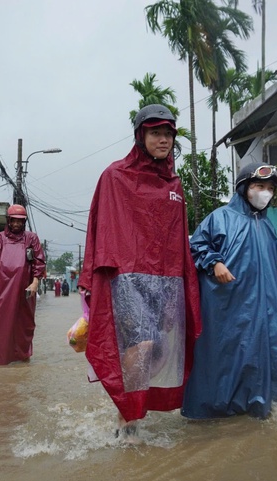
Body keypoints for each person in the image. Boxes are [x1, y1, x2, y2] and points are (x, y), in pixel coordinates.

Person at [78, 104, 201, 441]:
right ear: (140, 135)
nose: (163, 140)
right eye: (155, 132)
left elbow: (178, 239)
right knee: (141, 344)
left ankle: (131, 409)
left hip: (166, 283)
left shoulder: (174, 184)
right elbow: (98, 229)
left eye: (168, 134)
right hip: (127, 280)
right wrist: (90, 281)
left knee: (160, 349)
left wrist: (184, 284)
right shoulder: (115, 177)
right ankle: (126, 421)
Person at [181, 162, 277, 420]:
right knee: (220, 358)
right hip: (225, 308)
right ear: (244, 188)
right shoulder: (220, 218)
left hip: (262, 310)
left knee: (261, 357)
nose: (264, 193)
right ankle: (210, 413)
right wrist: (215, 262)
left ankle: (256, 409)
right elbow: (195, 247)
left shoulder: (268, 227)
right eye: (259, 186)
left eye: (269, 188)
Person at [0, 204, 46, 365]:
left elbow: (39, 262)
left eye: (20, 221)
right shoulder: (0, 238)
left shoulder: (31, 238)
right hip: (2, 290)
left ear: (24, 222)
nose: (17, 224)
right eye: (14, 221)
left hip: (24, 289)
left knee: (24, 323)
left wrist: (35, 282)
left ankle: (23, 357)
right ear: (9, 221)